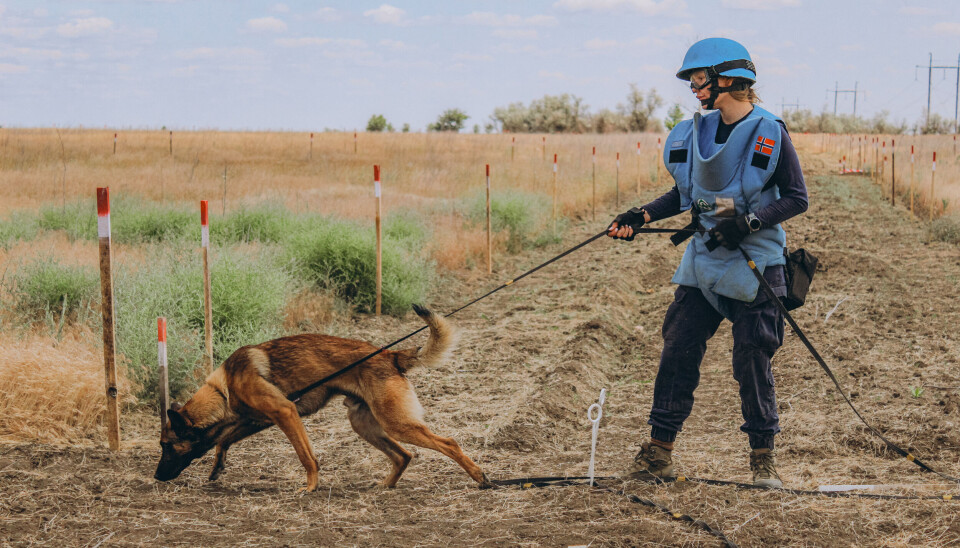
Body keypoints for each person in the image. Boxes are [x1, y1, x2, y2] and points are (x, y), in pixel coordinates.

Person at [607, 37, 808, 488]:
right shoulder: (692, 132)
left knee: (751, 359)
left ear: (732, 79)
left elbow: (797, 198)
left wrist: (748, 223)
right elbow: (684, 194)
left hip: (756, 263)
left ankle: (763, 460)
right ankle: (658, 454)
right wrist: (640, 216)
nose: (694, 87)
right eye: (693, 80)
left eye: (701, 78)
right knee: (677, 349)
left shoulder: (770, 131)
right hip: (703, 262)